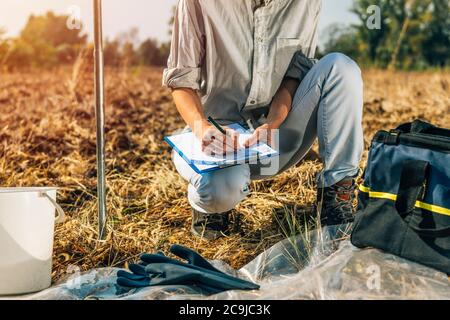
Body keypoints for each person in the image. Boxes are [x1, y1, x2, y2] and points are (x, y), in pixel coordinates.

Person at [163, 0, 364, 240]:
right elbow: (181, 81)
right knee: (218, 193)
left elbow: (296, 73)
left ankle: (336, 194)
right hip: (216, 139)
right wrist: (202, 128)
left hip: (274, 136)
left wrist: (273, 122)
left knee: (341, 68)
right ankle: (209, 208)